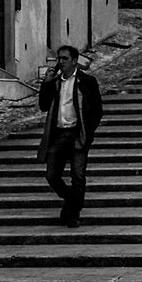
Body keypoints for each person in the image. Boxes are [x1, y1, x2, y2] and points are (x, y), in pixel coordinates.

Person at [35, 43, 102, 222]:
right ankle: (71, 200)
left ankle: (73, 214)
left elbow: (97, 110)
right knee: (51, 175)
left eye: (65, 58)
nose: (61, 62)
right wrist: (46, 83)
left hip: (77, 134)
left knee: (78, 175)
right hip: (57, 134)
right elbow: (43, 105)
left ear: (74, 60)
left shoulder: (87, 81)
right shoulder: (55, 82)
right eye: (59, 58)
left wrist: (88, 132)